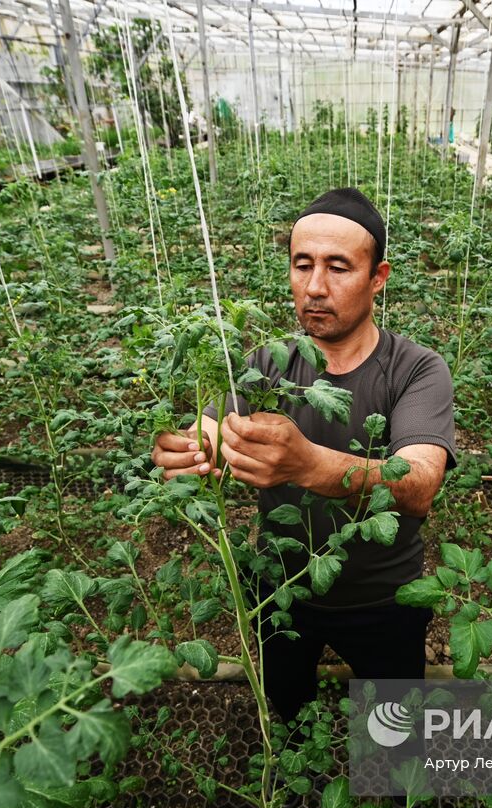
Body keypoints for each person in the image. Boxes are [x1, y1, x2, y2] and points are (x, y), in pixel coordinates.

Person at [150, 187, 456, 726]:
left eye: (338, 267)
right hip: (281, 592)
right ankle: (291, 780)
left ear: (377, 278)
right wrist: (184, 449)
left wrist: (309, 465)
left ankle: (389, 800)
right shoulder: (266, 364)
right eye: (303, 265)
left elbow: (420, 485)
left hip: (386, 602)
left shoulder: (417, 369)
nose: (315, 287)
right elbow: (210, 429)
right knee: (285, 712)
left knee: (394, 738)